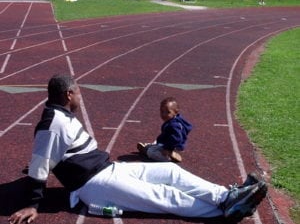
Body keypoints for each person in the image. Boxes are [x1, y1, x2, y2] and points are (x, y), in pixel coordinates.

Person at [8, 74, 267, 224]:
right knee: (161, 195)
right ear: (68, 94)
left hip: (109, 169)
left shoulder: (59, 116)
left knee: (170, 173)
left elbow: (53, 157)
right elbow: (40, 163)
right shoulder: (52, 125)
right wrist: (33, 204)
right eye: (78, 93)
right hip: (93, 185)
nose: (80, 97)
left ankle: (225, 196)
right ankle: (223, 212)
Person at [137, 97, 192, 162]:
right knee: (156, 143)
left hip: (173, 147)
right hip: (169, 143)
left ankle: (167, 158)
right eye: (162, 111)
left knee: (152, 152)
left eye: (168, 112)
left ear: (175, 112)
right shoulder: (175, 119)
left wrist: (168, 149)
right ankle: (150, 147)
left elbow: (176, 139)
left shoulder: (174, 125)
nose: (164, 114)